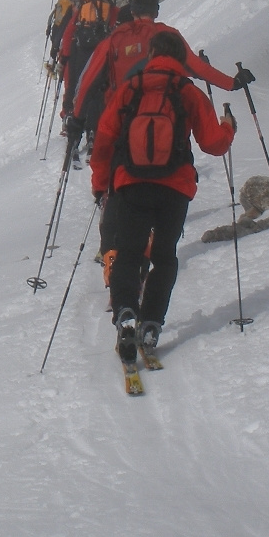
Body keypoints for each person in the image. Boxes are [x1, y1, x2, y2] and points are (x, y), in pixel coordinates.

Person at [68, 0, 251, 283]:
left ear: (130, 7)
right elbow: (196, 67)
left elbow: (87, 78)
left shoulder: (115, 38)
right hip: (167, 128)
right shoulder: (168, 36)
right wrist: (231, 83)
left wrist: (75, 117)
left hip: (121, 122)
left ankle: (112, 255)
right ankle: (147, 249)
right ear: (156, 9)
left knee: (117, 190)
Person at [89, 30, 236, 366]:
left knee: (128, 254)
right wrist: (229, 126)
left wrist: (101, 184)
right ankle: (151, 324)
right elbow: (213, 143)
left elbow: (104, 140)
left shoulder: (130, 88)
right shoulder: (188, 92)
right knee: (165, 257)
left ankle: (126, 313)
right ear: (180, 58)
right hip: (174, 187)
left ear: (152, 53)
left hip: (131, 183)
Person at [57, 0, 117, 164]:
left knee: (77, 86)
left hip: (80, 48)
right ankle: (93, 132)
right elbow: (115, 24)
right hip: (101, 49)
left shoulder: (82, 2)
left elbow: (69, 31)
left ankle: (72, 127)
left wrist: (64, 56)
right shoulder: (107, 0)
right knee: (97, 89)